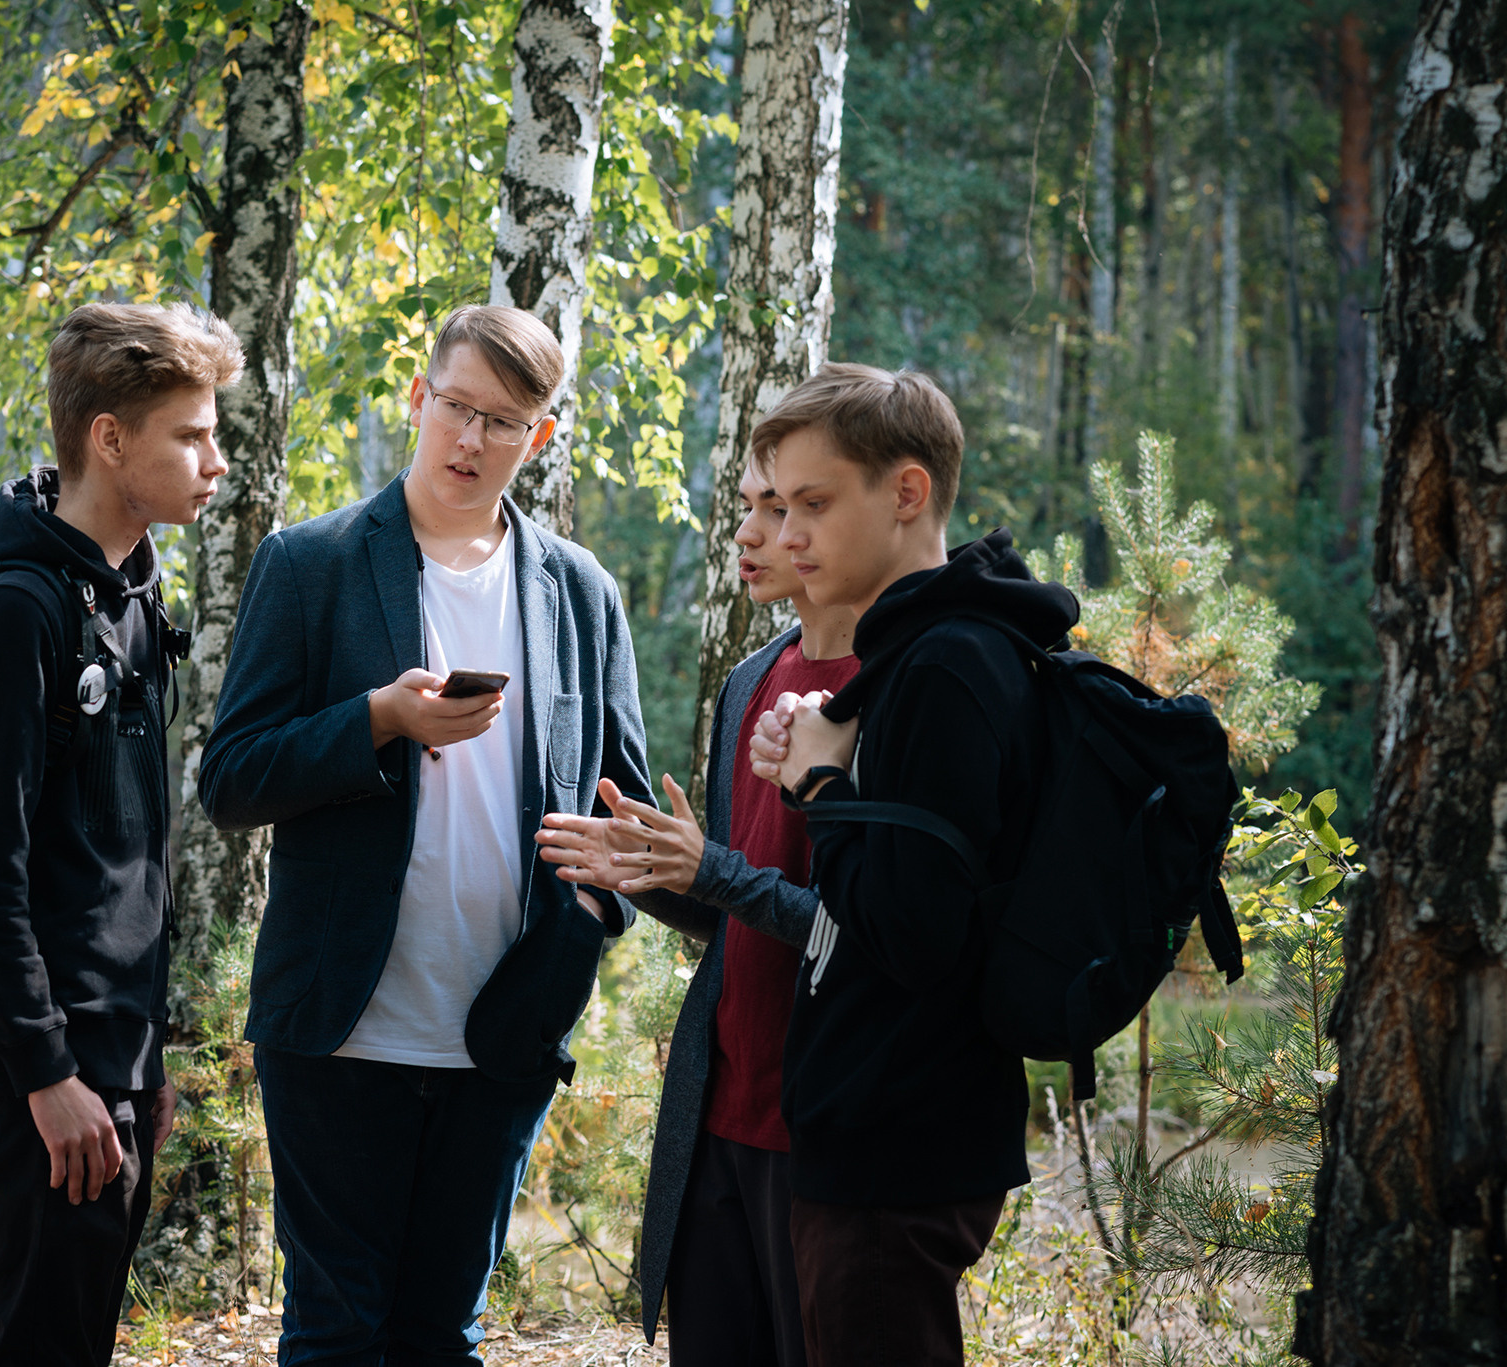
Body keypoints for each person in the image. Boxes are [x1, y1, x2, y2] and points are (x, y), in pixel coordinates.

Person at [198, 304, 655, 1366]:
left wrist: (593, 914)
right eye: (455, 407)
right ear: (418, 398)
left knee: (440, 1338)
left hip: (503, 1027)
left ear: (537, 438)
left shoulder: (580, 592)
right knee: (333, 1335)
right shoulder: (307, 563)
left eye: (503, 422)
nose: (470, 440)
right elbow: (228, 779)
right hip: (337, 1028)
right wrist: (376, 719)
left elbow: (621, 803)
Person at [746, 364, 1078, 1367]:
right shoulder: (936, 652)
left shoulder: (944, 663)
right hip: (889, 1121)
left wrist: (818, 791)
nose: (787, 532)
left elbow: (910, 927)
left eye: (813, 502)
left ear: (904, 493)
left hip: (897, 1132)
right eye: (779, 503)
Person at [0, 302, 244, 1367]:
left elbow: (123, 868)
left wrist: (140, 1059)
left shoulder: (126, 601)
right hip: (44, 1078)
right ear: (109, 439)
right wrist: (48, 1071)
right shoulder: (21, 610)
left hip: (106, 1064)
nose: (217, 459)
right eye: (190, 435)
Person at [534, 453, 858, 1366]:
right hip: (719, 1118)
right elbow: (740, 911)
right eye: (748, 507)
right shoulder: (752, 676)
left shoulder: (895, 682)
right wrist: (657, 874)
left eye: (785, 506)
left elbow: (862, 929)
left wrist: (706, 869)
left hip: (827, 1127)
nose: (752, 534)